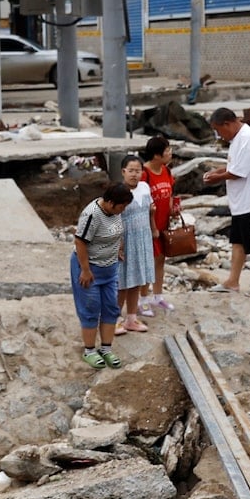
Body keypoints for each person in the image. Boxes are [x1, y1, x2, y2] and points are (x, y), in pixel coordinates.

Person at [202, 107, 250, 297]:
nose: (219, 135)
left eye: (219, 130)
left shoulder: (248, 139)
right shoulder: (237, 138)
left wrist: (216, 179)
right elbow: (233, 164)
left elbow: (237, 172)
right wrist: (218, 171)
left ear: (227, 124)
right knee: (238, 241)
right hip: (241, 201)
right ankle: (232, 281)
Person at [72, 182, 133, 369]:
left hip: (110, 268)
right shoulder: (92, 214)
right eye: (121, 206)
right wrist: (85, 269)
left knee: (111, 307)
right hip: (90, 269)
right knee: (90, 308)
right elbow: (80, 242)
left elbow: (117, 232)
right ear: (110, 202)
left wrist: (119, 249)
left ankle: (106, 348)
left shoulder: (116, 213)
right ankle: (89, 350)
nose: (123, 210)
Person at [139, 135, 180, 315]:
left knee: (160, 260)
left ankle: (158, 296)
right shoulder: (144, 174)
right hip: (147, 226)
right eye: (167, 150)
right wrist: (152, 226)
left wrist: (173, 208)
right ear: (156, 155)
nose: (170, 153)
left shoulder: (166, 171)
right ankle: (142, 299)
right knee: (146, 262)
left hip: (163, 224)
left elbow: (170, 193)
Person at [114, 154, 154, 334]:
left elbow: (150, 210)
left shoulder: (145, 188)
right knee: (122, 282)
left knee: (136, 280)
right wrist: (117, 244)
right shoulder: (118, 192)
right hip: (125, 240)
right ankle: (114, 318)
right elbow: (113, 219)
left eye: (138, 171)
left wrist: (154, 230)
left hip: (143, 239)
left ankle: (131, 318)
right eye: (131, 171)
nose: (134, 174)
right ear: (123, 172)